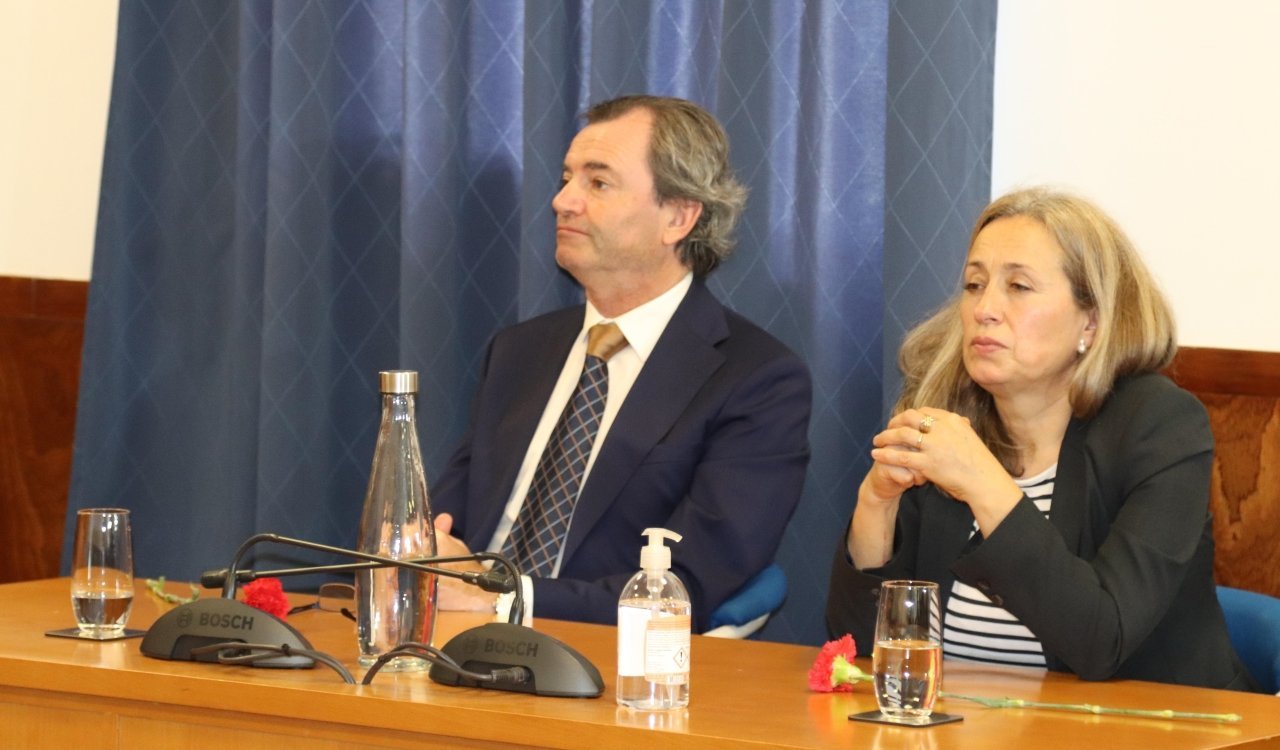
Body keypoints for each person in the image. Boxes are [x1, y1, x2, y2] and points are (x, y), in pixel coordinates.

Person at [825, 187, 1256, 691]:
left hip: (1149, 726)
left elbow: (1101, 641)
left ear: (1091, 322)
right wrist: (876, 503)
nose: (984, 308)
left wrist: (982, 481)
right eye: (974, 284)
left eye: (1019, 286)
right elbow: (858, 649)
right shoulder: (948, 417)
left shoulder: (1160, 428)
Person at [430, 95, 812, 631]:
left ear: (677, 217)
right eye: (567, 178)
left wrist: (501, 599)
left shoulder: (756, 379)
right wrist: (422, 555)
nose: (563, 201)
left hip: (599, 656)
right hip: (447, 639)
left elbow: (689, 585)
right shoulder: (518, 351)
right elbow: (442, 523)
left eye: (598, 182)